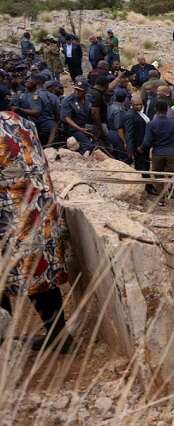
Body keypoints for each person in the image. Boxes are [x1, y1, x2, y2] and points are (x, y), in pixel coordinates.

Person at [0, 110, 71, 353]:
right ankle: (59, 336)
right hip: (40, 213)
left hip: (11, 219)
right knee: (40, 278)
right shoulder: (21, 121)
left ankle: (4, 347)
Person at [138, 100, 174, 207]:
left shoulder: (151, 124)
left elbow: (147, 142)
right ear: (167, 109)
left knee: (158, 176)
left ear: (155, 109)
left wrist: (141, 148)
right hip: (172, 153)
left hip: (157, 153)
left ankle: (161, 199)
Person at [124, 96, 157, 195]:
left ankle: (148, 186)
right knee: (142, 167)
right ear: (131, 104)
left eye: (140, 104)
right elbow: (129, 134)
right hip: (138, 147)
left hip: (144, 145)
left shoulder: (141, 113)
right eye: (136, 105)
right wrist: (130, 150)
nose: (138, 106)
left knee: (146, 166)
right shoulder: (130, 115)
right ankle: (147, 187)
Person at [61, 80, 94, 153]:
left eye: (80, 90)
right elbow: (67, 118)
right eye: (76, 89)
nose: (77, 92)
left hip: (85, 125)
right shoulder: (68, 100)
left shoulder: (88, 98)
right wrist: (80, 129)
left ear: (85, 91)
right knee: (88, 146)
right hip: (73, 128)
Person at [106, 91, 129, 161]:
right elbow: (119, 128)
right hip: (117, 135)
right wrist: (124, 141)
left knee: (114, 155)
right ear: (125, 99)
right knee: (122, 156)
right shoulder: (119, 110)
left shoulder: (110, 106)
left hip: (109, 132)